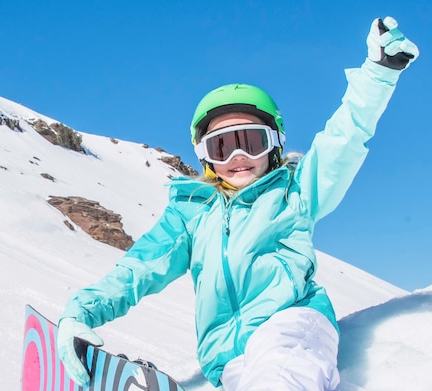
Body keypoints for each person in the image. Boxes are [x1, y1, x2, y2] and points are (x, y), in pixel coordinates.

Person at [56, 16, 419, 390]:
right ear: (206, 157)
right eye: (223, 146)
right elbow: (138, 270)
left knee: (281, 372)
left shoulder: (294, 193)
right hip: (227, 358)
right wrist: (81, 311)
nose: (238, 156)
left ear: (274, 145)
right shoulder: (190, 213)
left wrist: (378, 73)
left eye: (252, 141)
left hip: (293, 325)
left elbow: (343, 140)